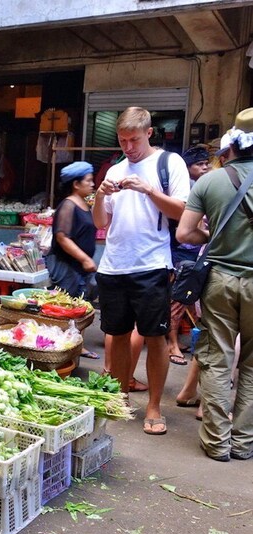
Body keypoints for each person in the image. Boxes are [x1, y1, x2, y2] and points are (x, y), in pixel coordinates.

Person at [92, 106, 190, 436]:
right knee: (117, 334)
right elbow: (101, 222)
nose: (128, 147)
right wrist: (99, 196)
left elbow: (181, 211)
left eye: (134, 139)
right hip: (114, 265)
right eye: (122, 141)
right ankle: (120, 396)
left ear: (149, 133)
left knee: (155, 336)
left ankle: (153, 405)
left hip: (151, 264)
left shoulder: (168, 163)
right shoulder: (114, 169)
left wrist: (148, 190)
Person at [176, 107, 253, 461]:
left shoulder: (210, 180)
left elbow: (185, 232)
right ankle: (244, 443)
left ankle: (217, 443)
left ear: (232, 143)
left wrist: (212, 232)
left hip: (220, 280)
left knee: (217, 358)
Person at [46, 161, 99, 359]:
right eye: (89, 181)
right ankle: (63, 349)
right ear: (76, 184)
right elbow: (62, 237)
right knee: (68, 307)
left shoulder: (83, 204)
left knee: (80, 305)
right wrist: (84, 258)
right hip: (67, 266)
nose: (92, 184)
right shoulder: (68, 205)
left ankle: (77, 344)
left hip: (79, 266)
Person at [167, 146, 209, 366]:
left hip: (194, 253)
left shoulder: (203, 186)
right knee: (179, 300)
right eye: (199, 164)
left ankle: (175, 341)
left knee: (186, 301)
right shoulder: (188, 189)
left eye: (205, 163)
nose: (204, 168)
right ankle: (172, 344)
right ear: (187, 168)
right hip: (182, 253)